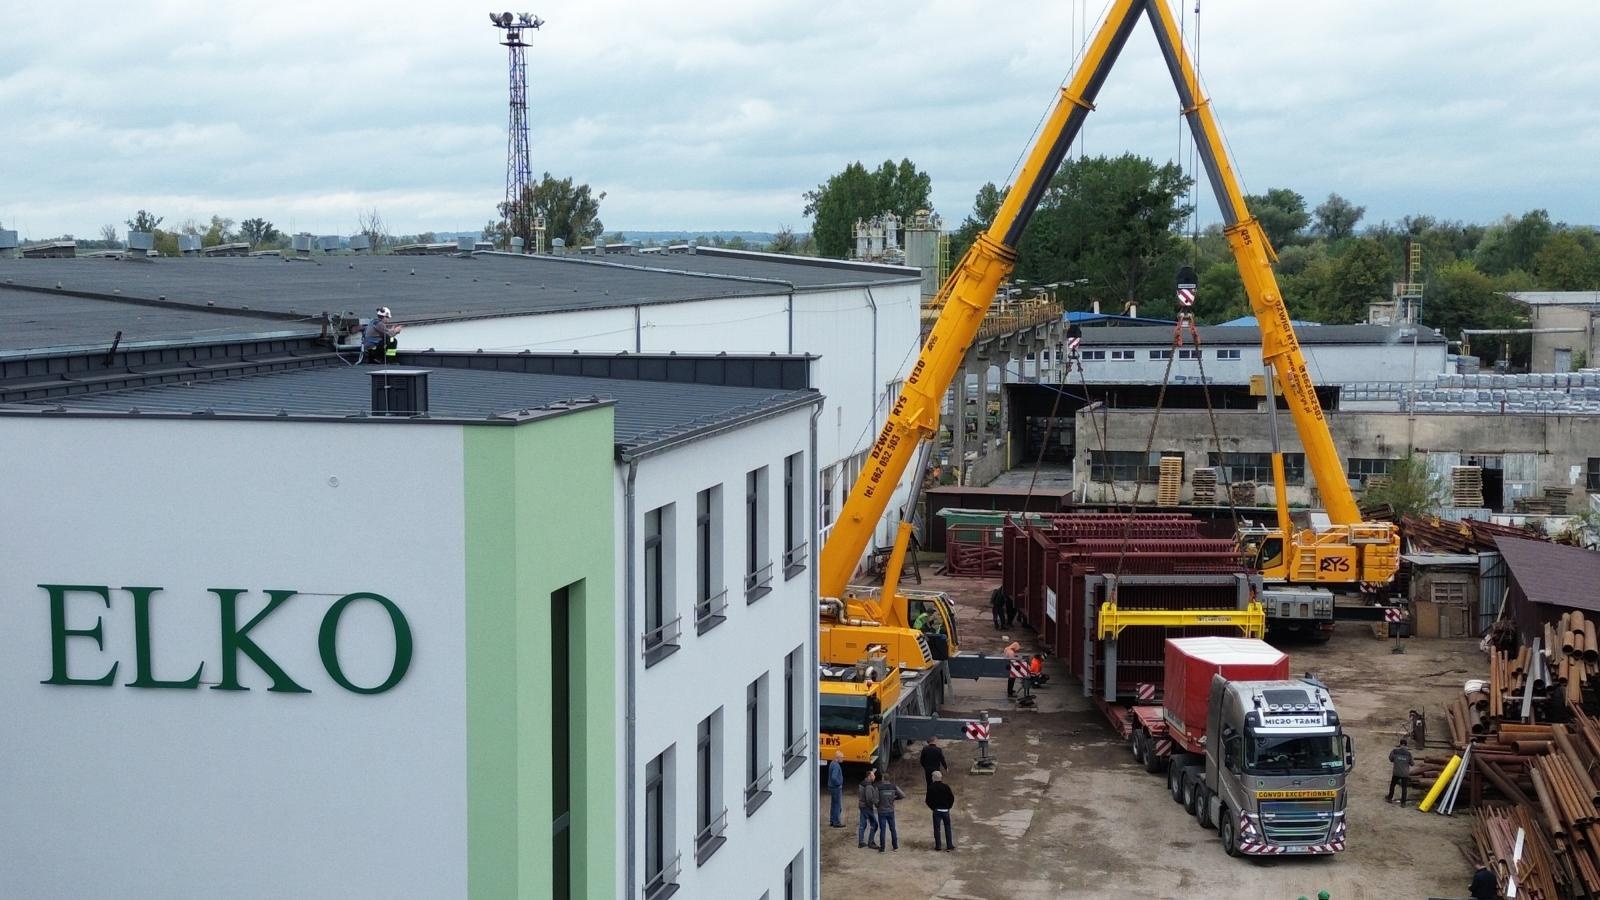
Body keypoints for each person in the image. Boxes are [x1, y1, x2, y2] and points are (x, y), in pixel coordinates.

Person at [874, 772, 905, 852]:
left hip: (882, 812)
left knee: (882, 830)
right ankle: (895, 846)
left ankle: (882, 848)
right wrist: (894, 798)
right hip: (891, 811)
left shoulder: (879, 787)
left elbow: (876, 800)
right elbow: (903, 795)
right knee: (893, 829)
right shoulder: (894, 786)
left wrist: (878, 806)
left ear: (883, 779)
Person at [925, 770, 956, 851]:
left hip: (937, 811)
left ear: (934, 778)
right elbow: (951, 798)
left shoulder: (931, 787)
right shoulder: (946, 787)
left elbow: (928, 800)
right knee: (948, 828)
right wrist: (949, 807)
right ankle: (949, 845)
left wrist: (933, 808)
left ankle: (938, 846)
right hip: (945, 810)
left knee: (937, 829)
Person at [857, 769, 880, 849]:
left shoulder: (862, 783)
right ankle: (871, 842)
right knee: (875, 824)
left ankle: (861, 842)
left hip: (861, 805)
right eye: (873, 775)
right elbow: (869, 799)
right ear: (869, 776)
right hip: (867, 807)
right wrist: (875, 806)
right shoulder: (869, 786)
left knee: (863, 824)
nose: (875, 776)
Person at [1387, 737, 1414, 805]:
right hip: (1405, 773)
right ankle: (1403, 803)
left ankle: (1390, 798)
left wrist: (1397, 760)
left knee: (1392, 785)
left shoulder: (1395, 751)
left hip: (1396, 772)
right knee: (1404, 788)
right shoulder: (1409, 753)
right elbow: (1412, 764)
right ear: (1406, 745)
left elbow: (1390, 759)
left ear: (1400, 744)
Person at [827, 751, 846, 828]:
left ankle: (832, 820)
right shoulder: (836, 766)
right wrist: (839, 783)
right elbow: (834, 777)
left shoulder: (832, 763)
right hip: (836, 788)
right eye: (842, 758)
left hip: (831, 787)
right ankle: (836, 822)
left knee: (833, 804)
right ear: (838, 758)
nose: (843, 759)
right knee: (837, 805)